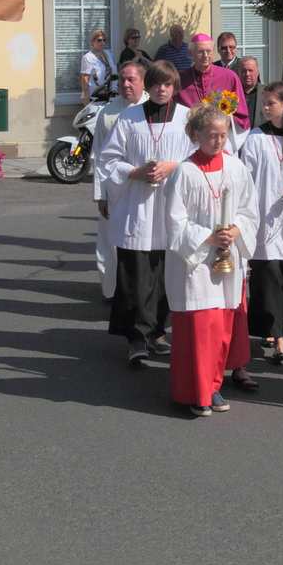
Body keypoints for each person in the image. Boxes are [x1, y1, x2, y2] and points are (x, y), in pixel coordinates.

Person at [164, 104, 260, 416]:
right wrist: (209, 237)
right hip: (194, 265)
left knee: (220, 327)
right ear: (196, 135)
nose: (219, 141)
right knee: (199, 328)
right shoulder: (184, 172)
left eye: (223, 135)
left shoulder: (236, 167)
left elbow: (250, 210)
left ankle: (213, 386)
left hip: (228, 260)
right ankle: (196, 391)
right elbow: (175, 222)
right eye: (211, 135)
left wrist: (235, 230)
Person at [97, 61, 194, 362]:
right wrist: (135, 172)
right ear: (148, 86)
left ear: (175, 87)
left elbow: (200, 156)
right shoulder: (129, 118)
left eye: (167, 84)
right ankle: (136, 338)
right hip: (136, 206)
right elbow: (107, 160)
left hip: (171, 206)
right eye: (155, 84)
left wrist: (174, 167)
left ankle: (158, 331)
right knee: (136, 274)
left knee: (166, 272)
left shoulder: (188, 118)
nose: (161, 89)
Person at [240, 82, 283, 365]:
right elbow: (246, 178)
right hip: (263, 216)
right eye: (265, 103)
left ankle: (271, 329)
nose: (265, 108)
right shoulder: (256, 137)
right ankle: (278, 337)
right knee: (267, 277)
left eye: (271, 103)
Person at [92, 62, 148, 298]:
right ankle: (113, 291)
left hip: (146, 188)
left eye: (131, 80)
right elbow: (99, 156)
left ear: (143, 82)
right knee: (110, 243)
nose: (125, 84)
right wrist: (100, 194)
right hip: (115, 190)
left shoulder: (153, 108)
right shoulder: (108, 112)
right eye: (122, 80)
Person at [176, 34, 250, 149]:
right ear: (191, 53)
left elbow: (241, 114)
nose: (205, 56)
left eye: (209, 51)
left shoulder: (229, 76)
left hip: (222, 141)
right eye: (200, 51)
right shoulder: (180, 79)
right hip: (190, 141)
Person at [81, 30, 116, 105]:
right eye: (99, 40)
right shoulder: (88, 57)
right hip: (95, 95)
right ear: (92, 42)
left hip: (109, 93)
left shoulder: (108, 54)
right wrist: (86, 97)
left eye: (104, 40)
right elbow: (85, 78)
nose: (102, 42)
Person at [238, 56, 266, 129]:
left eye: (250, 70)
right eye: (243, 71)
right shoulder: (232, 93)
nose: (247, 74)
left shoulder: (267, 92)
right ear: (239, 73)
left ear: (257, 72)